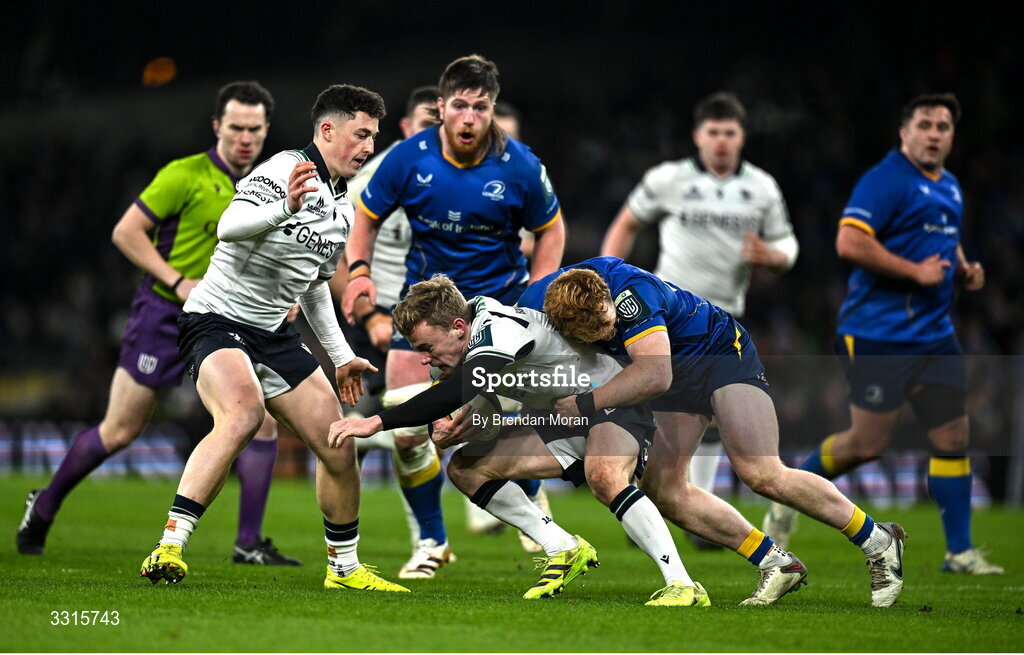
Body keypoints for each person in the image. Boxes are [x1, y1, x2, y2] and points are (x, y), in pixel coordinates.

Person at [16, 81, 300, 566]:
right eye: (236, 128)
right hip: (165, 314)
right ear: (217, 126)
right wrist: (176, 279)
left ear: (266, 130)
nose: (245, 138)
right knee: (122, 429)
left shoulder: (272, 184)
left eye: (255, 129)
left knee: (261, 421)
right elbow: (125, 232)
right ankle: (44, 504)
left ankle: (248, 542)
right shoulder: (184, 175)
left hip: (231, 319)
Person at [137, 84, 407, 593]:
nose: (369, 147)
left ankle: (345, 569)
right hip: (215, 320)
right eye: (361, 134)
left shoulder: (343, 207)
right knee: (241, 415)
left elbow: (315, 287)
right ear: (327, 131)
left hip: (272, 333)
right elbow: (230, 227)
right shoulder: (285, 169)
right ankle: (169, 545)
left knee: (339, 443)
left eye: (373, 136)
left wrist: (342, 356)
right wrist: (283, 207)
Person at [518, 257, 908, 608]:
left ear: (607, 298)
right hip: (671, 381)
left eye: (609, 323)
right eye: (597, 334)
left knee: (761, 472)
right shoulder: (538, 307)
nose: (608, 333)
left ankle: (878, 540)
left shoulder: (630, 297)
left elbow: (655, 374)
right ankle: (776, 562)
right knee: (666, 491)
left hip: (717, 355)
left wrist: (585, 404)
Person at [328, 275, 709, 607]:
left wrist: (377, 421)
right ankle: (563, 548)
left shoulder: (497, 327)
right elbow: (463, 400)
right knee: (466, 468)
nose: (426, 359)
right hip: (561, 419)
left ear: (458, 326)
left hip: (611, 404)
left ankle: (682, 583)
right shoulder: (471, 339)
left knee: (605, 475)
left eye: (427, 348)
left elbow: (463, 388)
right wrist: (450, 428)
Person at [762, 93, 1003, 576]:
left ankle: (959, 552)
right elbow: (849, 241)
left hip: (934, 335)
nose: (935, 134)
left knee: (953, 435)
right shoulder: (886, 180)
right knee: (867, 443)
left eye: (943, 126)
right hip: (877, 331)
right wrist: (914, 272)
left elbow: (943, 238)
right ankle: (789, 493)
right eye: (925, 124)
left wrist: (962, 268)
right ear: (905, 131)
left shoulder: (950, 186)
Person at [342, 55, 566, 569]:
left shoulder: (522, 165)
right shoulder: (407, 158)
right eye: (459, 106)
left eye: (480, 107)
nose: (469, 118)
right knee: (405, 431)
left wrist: (539, 293)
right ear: (440, 107)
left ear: (492, 110)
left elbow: (551, 230)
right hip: (426, 312)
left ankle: (534, 506)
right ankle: (432, 543)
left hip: (501, 307)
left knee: (497, 422)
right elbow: (367, 219)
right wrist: (359, 272)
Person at [601, 92, 798, 530]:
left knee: (707, 416)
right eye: (713, 133)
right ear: (698, 136)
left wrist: (773, 255)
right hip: (667, 317)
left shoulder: (762, 187)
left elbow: (788, 245)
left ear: (741, 137)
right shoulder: (668, 178)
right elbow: (627, 222)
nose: (721, 142)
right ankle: (651, 499)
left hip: (724, 320)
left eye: (729, 133)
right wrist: (607, 278)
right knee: (652, 400)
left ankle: (686, 499)